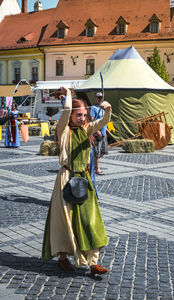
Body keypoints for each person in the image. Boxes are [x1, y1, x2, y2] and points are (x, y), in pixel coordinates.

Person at [42, 87, 112, 275]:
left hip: (84, 179)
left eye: (84, 115)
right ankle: (63, 257)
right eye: (78, 115)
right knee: (65, 221)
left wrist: (107, 110)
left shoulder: (86, 129)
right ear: (71, 116)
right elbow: (65, 113)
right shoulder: (63, 131)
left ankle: (93, 263)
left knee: (90, 220)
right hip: (66, 178)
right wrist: (68, 96)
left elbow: (104, 121)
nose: (82, 118)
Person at [90, 92, 108, 175]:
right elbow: (92, 120)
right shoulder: (93, 108)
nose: (100, 99)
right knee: (96, 152)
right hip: (97, 133)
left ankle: (91, 163)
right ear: (96, 98)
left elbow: (105, 121)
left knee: (103, 151)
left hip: (103, 132)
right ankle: (97, 169)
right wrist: (97, 131)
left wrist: (105, 132)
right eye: (98, 97)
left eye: (101, 97)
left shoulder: (103, 108)